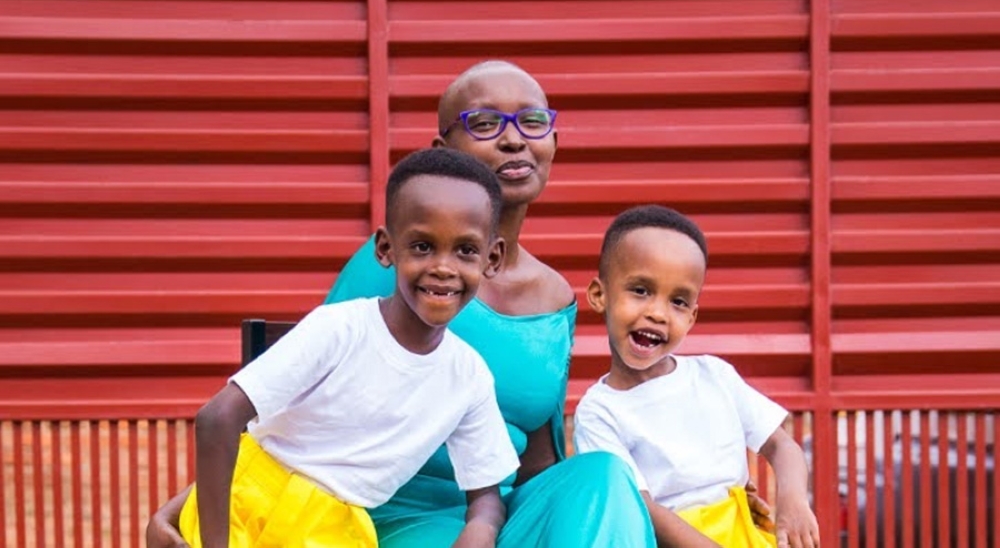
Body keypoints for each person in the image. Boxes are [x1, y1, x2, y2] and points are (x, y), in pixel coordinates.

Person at [149, 60, 768, 548]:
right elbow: (289, 405)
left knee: (603, 475)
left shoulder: (556, 295)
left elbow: (543, 456)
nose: (513, 141)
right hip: (379, 511)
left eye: (532, 122)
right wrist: (189, 509)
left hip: (492, 510)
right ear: (443, 145)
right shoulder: (391, 269)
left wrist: (691, 501)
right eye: (484, 124)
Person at [177, 148, 521, 548]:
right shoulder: (340, 329)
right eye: (422, 246)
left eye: (465, 250)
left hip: (336, 530)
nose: (443, 267)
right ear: (385, 249)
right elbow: (217, 418)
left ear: (491, 258)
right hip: (250, 500)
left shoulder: (468, 375)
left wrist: (479, 531)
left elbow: (487, 496)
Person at [573, 205, 821, 548]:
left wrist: (794, 502)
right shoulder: (599, 411)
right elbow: (640, 508)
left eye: (678, 301)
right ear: (600, 295)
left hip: (742, 533)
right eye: (641, 290)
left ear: (692, 317)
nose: (658, 313)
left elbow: (781, 446)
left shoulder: (714, 376)